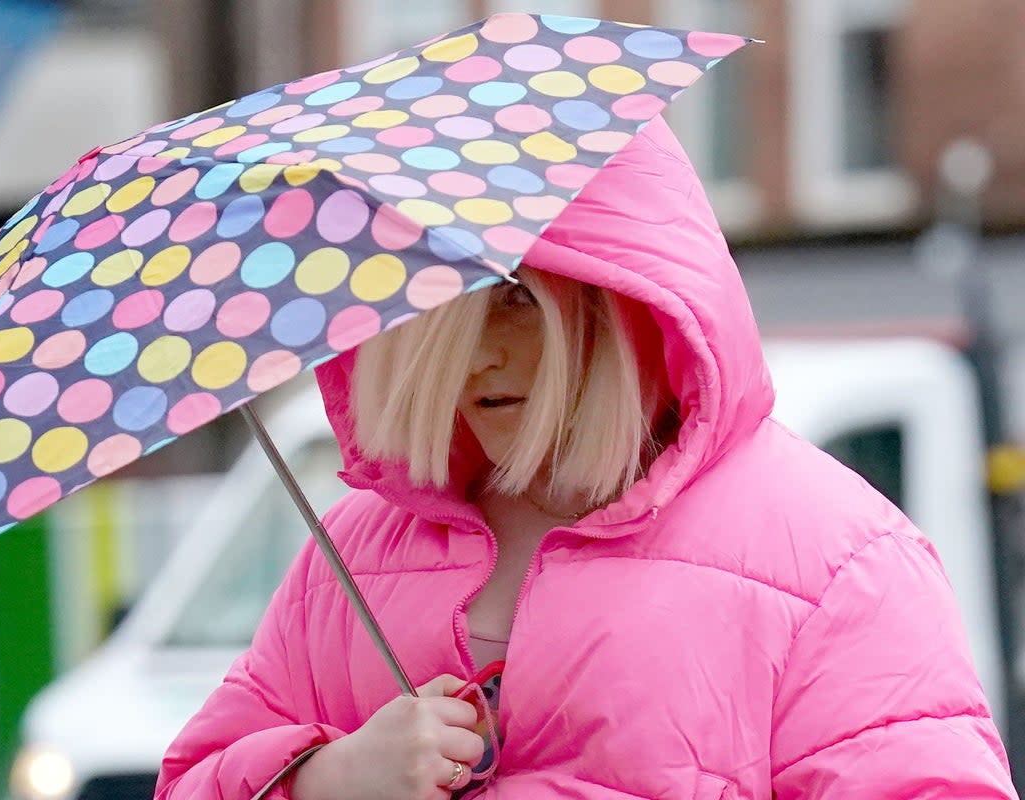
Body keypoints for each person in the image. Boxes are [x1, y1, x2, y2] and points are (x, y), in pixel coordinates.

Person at [154, 116, 1018, 799]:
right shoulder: (350, 558)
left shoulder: (836, 560)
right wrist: (325, 783)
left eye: (519, 301)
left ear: (629, 303)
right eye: (437, 310)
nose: (474, 358)